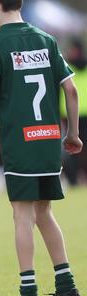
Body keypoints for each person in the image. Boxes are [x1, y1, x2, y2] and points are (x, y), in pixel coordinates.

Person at [0, 0, 83, 296]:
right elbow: (71, 89)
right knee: (44, 212)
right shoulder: (46, 39)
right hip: (49, 140)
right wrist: (73, 133)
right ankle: (67, 291)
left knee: (22, 215)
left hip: (21, 144)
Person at [61, 38, 87, 186]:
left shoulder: (67, 67)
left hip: (69, 114)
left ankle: (74, 180)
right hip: (77, 113)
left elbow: (68, 91)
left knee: (72, 150)